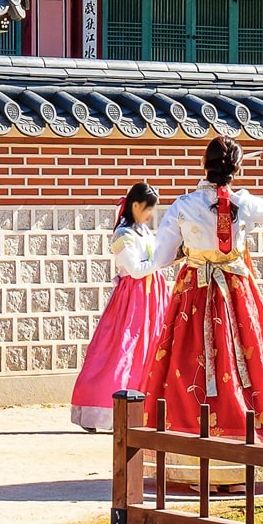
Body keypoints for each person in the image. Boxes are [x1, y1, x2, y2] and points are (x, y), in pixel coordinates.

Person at [146, 138, 263, 444]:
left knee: (189, 364)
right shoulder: (246, 202)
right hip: (236, 291)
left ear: (205, 164)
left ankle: (191, 448)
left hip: (195, 292)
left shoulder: (183, 205)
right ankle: (245, 443)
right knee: (244, 360)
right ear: (237, 169)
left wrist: (185, 253)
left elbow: (160, 258)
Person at [68, 183, 165, 433]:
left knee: (149, 350)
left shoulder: (142, 231)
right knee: (121, 351)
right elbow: (135, 270)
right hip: (132, 300)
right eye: (148, 208)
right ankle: (102, 412)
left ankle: (141, 408)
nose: (151, 214)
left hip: (151, 298)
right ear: (135, 206)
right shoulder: (122, 235)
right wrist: (167, 259)